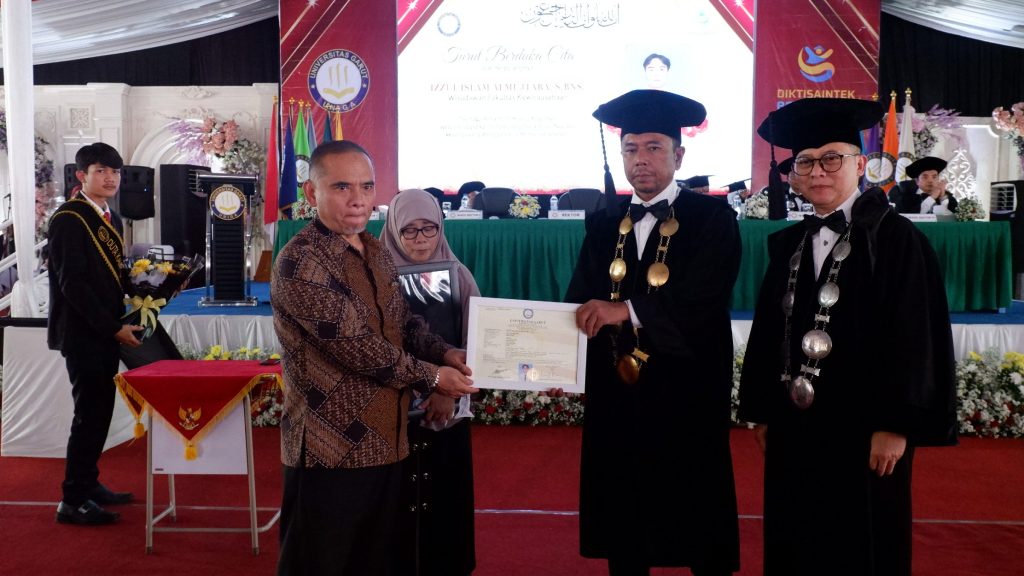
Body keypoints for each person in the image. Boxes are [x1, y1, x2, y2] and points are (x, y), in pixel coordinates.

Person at [739, 98, 958, 576]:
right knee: (797, 538)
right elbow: (769, 330)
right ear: (794, 175)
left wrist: (896, 425)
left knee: (862, 545)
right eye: (805, 162)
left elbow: (916, 335)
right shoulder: (789, 243)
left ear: (861, 165)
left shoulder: (896, 240)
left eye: (832, 158)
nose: (818, 171)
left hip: (865, 429)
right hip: (796, 425)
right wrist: (764, 410)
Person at [272, 140, 478, 576]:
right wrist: (434, 377)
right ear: (311, 193)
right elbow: (358, 347)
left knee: (379, 564)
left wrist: (446, 352)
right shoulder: (301, 261)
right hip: (332, 448)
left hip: (389, 443)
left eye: (366, 186)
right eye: (342, 187)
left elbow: (404, 324)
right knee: (322, 565)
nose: (358, 199)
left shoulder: (376, 251)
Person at [566, 89, 741, 576]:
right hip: (618, 390)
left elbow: (705, 297)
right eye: (630, 149)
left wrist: (624, 310)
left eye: (653, 148)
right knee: (623, 506)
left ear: (678, 156)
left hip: (686, 387)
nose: (640, 159)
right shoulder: (603, 224)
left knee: (694, 500)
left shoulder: (713, 218)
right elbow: (580, 298)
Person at [380, 187, 480, 576]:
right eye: (410, 230)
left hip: (447, 415)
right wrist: (428, 384)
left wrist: (449, 394)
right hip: (391, 416)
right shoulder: (376, 277)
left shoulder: (459, 275)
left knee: (445, 508)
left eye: (429, 228)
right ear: (393, 229)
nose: (421, 239)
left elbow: (476, 343)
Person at [47, 142, 142, 525]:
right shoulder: (69, 219)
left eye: (115, 172)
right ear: (81, 175)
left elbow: (110, 275)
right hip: (83, 332)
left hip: (103, 330)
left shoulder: (109, 216)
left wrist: (147, 287)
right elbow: (73, 283)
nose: (110, 178)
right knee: (89, 414)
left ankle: (88, 483)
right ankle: (72, 499)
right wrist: (113, 327)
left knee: (100, 412)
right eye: (101, 171)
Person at [889, 156, 958, 214]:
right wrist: (932, 198)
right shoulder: (905, 196)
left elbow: (952, 218)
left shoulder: (947, 197)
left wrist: (943, 197)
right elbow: (912, 217)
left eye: (934, 177)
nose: (930, 181)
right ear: (917, 181)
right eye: (925, 177)